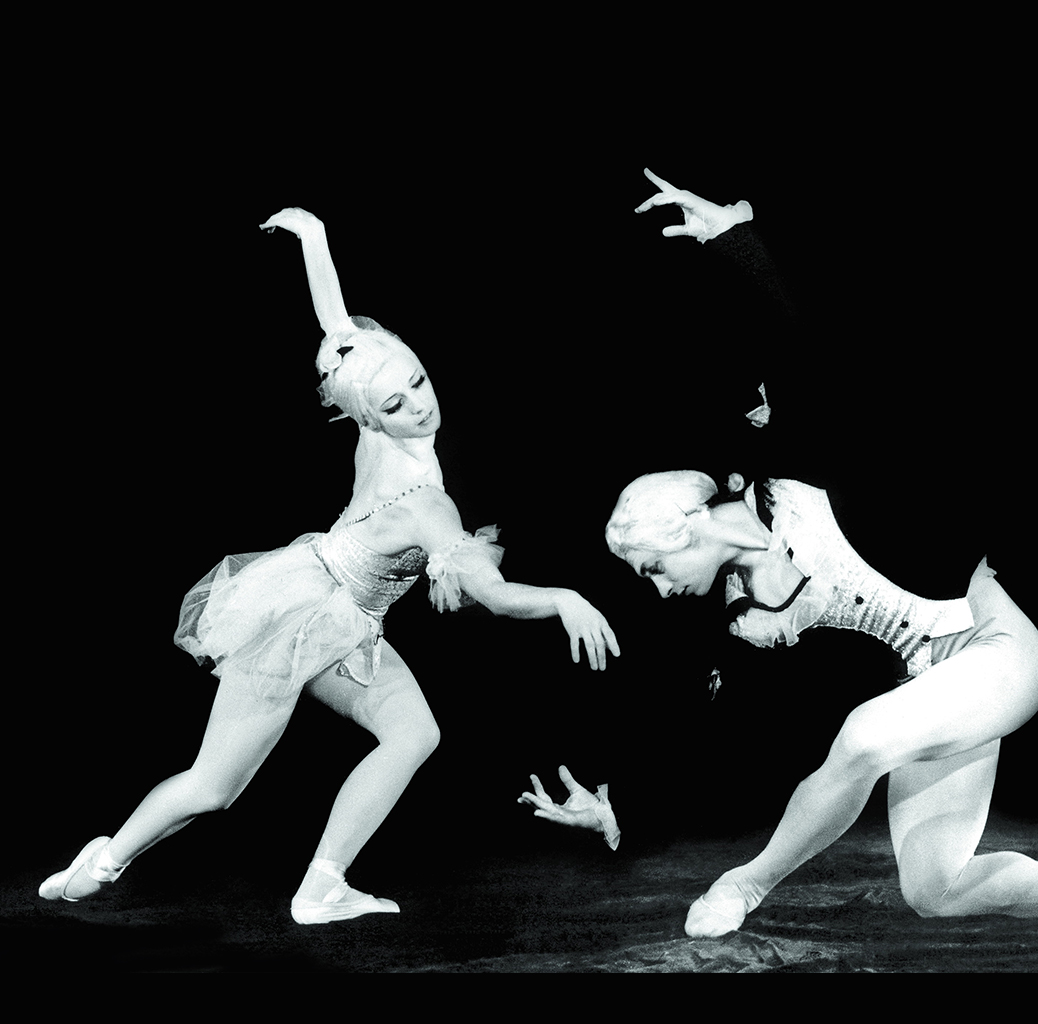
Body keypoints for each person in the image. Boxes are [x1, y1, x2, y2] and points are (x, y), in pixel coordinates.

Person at [519, 169, 1038, 937]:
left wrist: (734, 239)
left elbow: (796, 348)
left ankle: (744, 885)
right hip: (934, 688)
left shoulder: (799, 468)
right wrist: (625, 810)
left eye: (652, 568)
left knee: (865, 736)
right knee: (936, 888)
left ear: (684, 527)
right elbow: (696, 736)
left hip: (997, 648)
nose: (658, 588)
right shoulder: (741, 622)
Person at [39, 208, 619, 924]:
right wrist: (563, 597)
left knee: (413, 734)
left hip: (341, 610)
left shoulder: (378, 420)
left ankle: (321, 887)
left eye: (419, 381)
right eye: (396, 403)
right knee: (215, 786)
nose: (419, 406)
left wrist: (314, 238)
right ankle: (103, 861)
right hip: (302, 615)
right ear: (368, 417)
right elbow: (494, 595)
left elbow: (339, 326)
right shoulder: (425, 502)